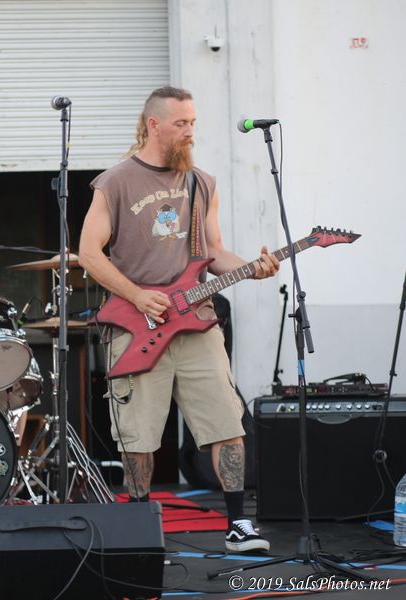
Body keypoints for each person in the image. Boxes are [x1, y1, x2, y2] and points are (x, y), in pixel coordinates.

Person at [78, 86, 280, 553]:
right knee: (138, 435)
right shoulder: (115, 182)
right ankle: (139, 526)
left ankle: (239, 524)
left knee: (227, 422)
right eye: (181, 123)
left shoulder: (201, 182)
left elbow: (214, 252)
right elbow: (88, 252)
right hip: (136, 325)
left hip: (197, 323)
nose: (190, 131)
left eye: (193, 123)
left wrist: (253, 268)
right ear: (154, 125)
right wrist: (137, 295)